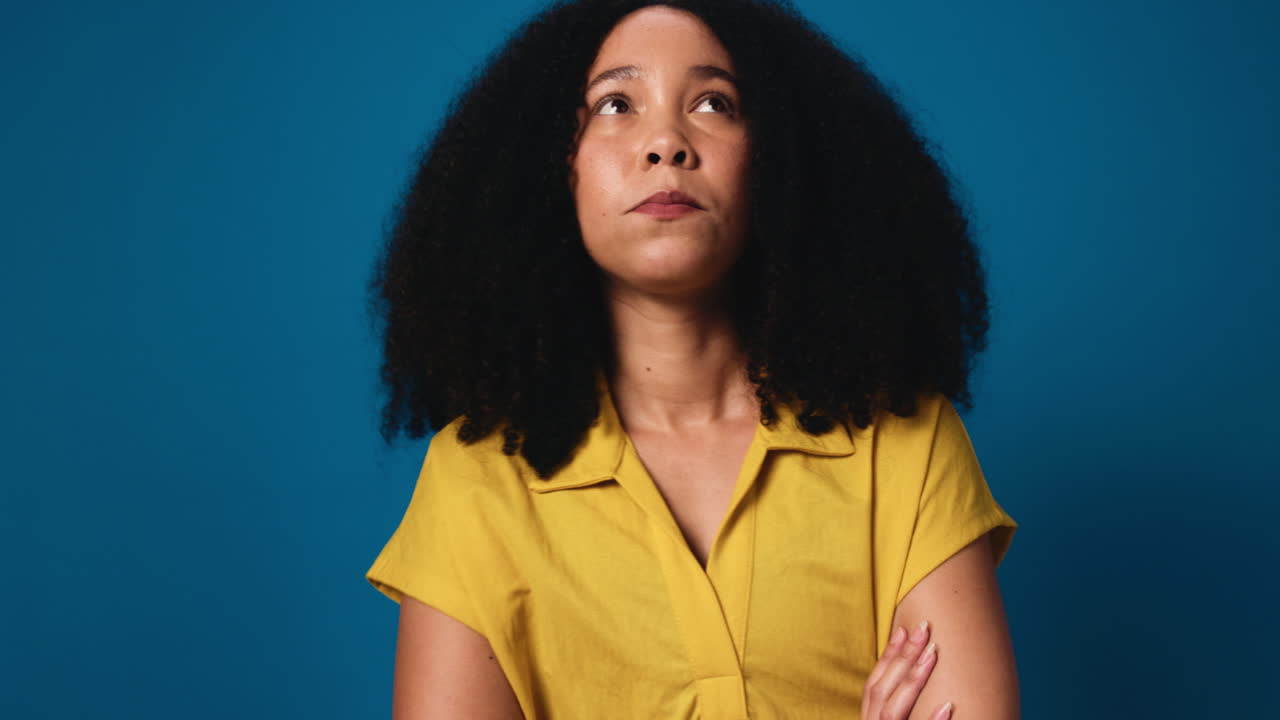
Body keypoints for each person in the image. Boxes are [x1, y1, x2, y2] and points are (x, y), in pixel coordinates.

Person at [365, 0, 1020, 717]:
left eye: (714, 102)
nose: (667, 143)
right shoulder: (475, 485)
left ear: (775, 158)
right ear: (556, 167)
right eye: (615, 104)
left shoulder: (906, 444)